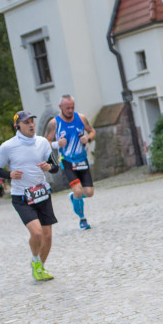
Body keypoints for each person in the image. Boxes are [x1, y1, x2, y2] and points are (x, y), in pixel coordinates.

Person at [0, 110, 61, 280]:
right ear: (18, 126)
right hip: (22, 197)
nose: (31, 125)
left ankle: (40, 267)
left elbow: (55, 165)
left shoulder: (42, 142)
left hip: (42, 193)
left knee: (48, 236)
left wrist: (49, 167)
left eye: (32, 121)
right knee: (37, 234)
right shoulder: (8, 146)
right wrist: (9, 175)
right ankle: (35, 260)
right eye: (26, 122)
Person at [45, 94, 96, 229]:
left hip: (82, 160)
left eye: (72, 107)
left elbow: (92, 132)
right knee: (78, 190)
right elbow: (45, 143)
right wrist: (57, 144)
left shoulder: (81, 118)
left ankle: (74, 197)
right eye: (67, 108)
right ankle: (82, 219)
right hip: (67, 161)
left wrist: (88, 139)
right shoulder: (54, 123)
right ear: (60, 107)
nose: (70, 110)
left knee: (89, 193)